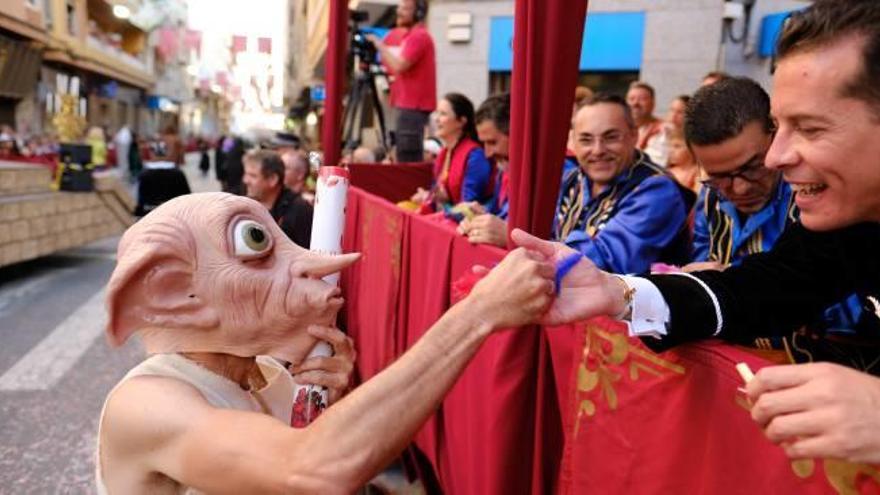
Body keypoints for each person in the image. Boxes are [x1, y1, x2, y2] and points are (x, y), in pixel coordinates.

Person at [511, 0, 880, 465]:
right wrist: (618, 292)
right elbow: (761, 289)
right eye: (781, 126)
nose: (776, 157)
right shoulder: (847, 224)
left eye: (808, 128)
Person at [97, 192, 556, 493]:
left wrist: (337, 405)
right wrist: (477, 314)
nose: (303, 264)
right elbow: (313, 468)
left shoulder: (271, 378)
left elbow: (358, 458)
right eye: (255, 242)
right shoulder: (146, 404)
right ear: (176, 294)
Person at [554, 94, 694, 274]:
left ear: (634, 135)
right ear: (573, 141)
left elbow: (606, 261)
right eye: (586, 140)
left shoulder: (657, 189)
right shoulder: (571, 179)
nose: (598, 150)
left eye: (611, 137)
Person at [367, 0, 437, 163]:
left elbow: (399, 65)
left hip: (413, 107)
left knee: (408, 158)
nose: (399, 11)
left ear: (418, 13)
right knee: (404, 154)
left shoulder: (419, 36)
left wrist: (379, 45)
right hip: (409, 106)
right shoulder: (411, 36)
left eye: (405, 8)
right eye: (399, 7)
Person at [411, 93, 492, 208]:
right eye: (437, 113)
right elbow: (439, 193)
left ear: (461, 121)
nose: (437, 119)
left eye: (443, 114)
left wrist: (439, 201)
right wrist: (430, 197)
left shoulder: (475, 156)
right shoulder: (444, 154)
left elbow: (469, 207)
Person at [457, 93, 511, 247]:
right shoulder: (504, 170)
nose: (487, 153)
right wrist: (479, 216)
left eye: (492, 142)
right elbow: (498, 213)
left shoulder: (562, 176)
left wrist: (510, 236)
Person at [243, 149, 313, 248]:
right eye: (246, 174)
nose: (245, 180)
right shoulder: (244, 205)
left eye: (253, 176)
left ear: (273, 179)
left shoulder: (300, 210)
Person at [644, 94, 690, 167]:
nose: (674, 115)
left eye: (680, 112)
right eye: (672, 110)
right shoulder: (656, 131)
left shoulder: (689, 141)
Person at [626, 81, 663, 151]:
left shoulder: (662, 130)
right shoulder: (619, 127)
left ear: (653, 104)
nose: (635, 103)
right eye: (631, 99)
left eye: (642, 99)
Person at [665, 128, 700, 193]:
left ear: (692, 149)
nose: (671, 151)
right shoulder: (668, 171)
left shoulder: (696, 172)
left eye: (677, 146)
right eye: (669, 146)